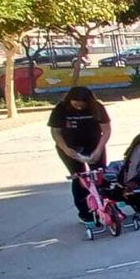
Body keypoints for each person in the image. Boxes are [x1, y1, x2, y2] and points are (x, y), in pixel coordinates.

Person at [49, 86, 112, 227]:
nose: (78, 106)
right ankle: (85, 213)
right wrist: (66, 149)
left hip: (94, 145)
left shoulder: (97, 107)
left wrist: (98, 150)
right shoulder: (61, 109)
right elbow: (56, 132)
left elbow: (106, 130)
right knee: (79, 177)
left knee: (100, 175)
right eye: (75, 103)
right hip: (70, 147)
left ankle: (107, 207)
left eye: (81, 104)